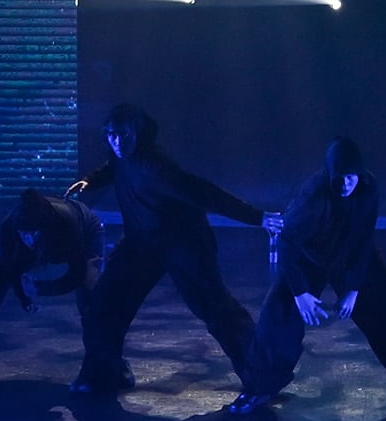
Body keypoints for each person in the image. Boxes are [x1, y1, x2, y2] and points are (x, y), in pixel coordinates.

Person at [63, 104, 281, 395]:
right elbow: (111, 168)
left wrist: (258, 218)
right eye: (111, 136)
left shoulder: (157, 167)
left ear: (137, 133)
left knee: (217, 311)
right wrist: (90, 181)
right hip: (142, 244)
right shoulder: (121, 158)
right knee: (104, 304)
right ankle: (105, 372)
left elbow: (205, 193)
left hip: (184, 246)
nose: (117, 143)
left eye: (123, 135)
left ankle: (263, 379)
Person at [230, 137, 386, 414]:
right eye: (338, 178)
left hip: (349, 254)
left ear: (360, 174)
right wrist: (300, 293)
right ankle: (258, 388)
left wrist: (353, 288)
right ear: (329, 174)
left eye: (350, 177)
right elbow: (288, 242)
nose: (345, 184)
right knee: (277, 318)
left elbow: (364, 238)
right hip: (308, 256)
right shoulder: (313, 194)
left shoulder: (368, 187)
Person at [0, 189, 107, 379]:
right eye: (24, 233)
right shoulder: (10, 226)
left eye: (32, 233)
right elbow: (9, 267)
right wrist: (24, 297)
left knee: (91, 288)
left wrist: (42, 289)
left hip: (86, 231)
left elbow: (77, 274)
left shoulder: (65, 222)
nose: (28, 239)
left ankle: (102, 355)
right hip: (43, 239)